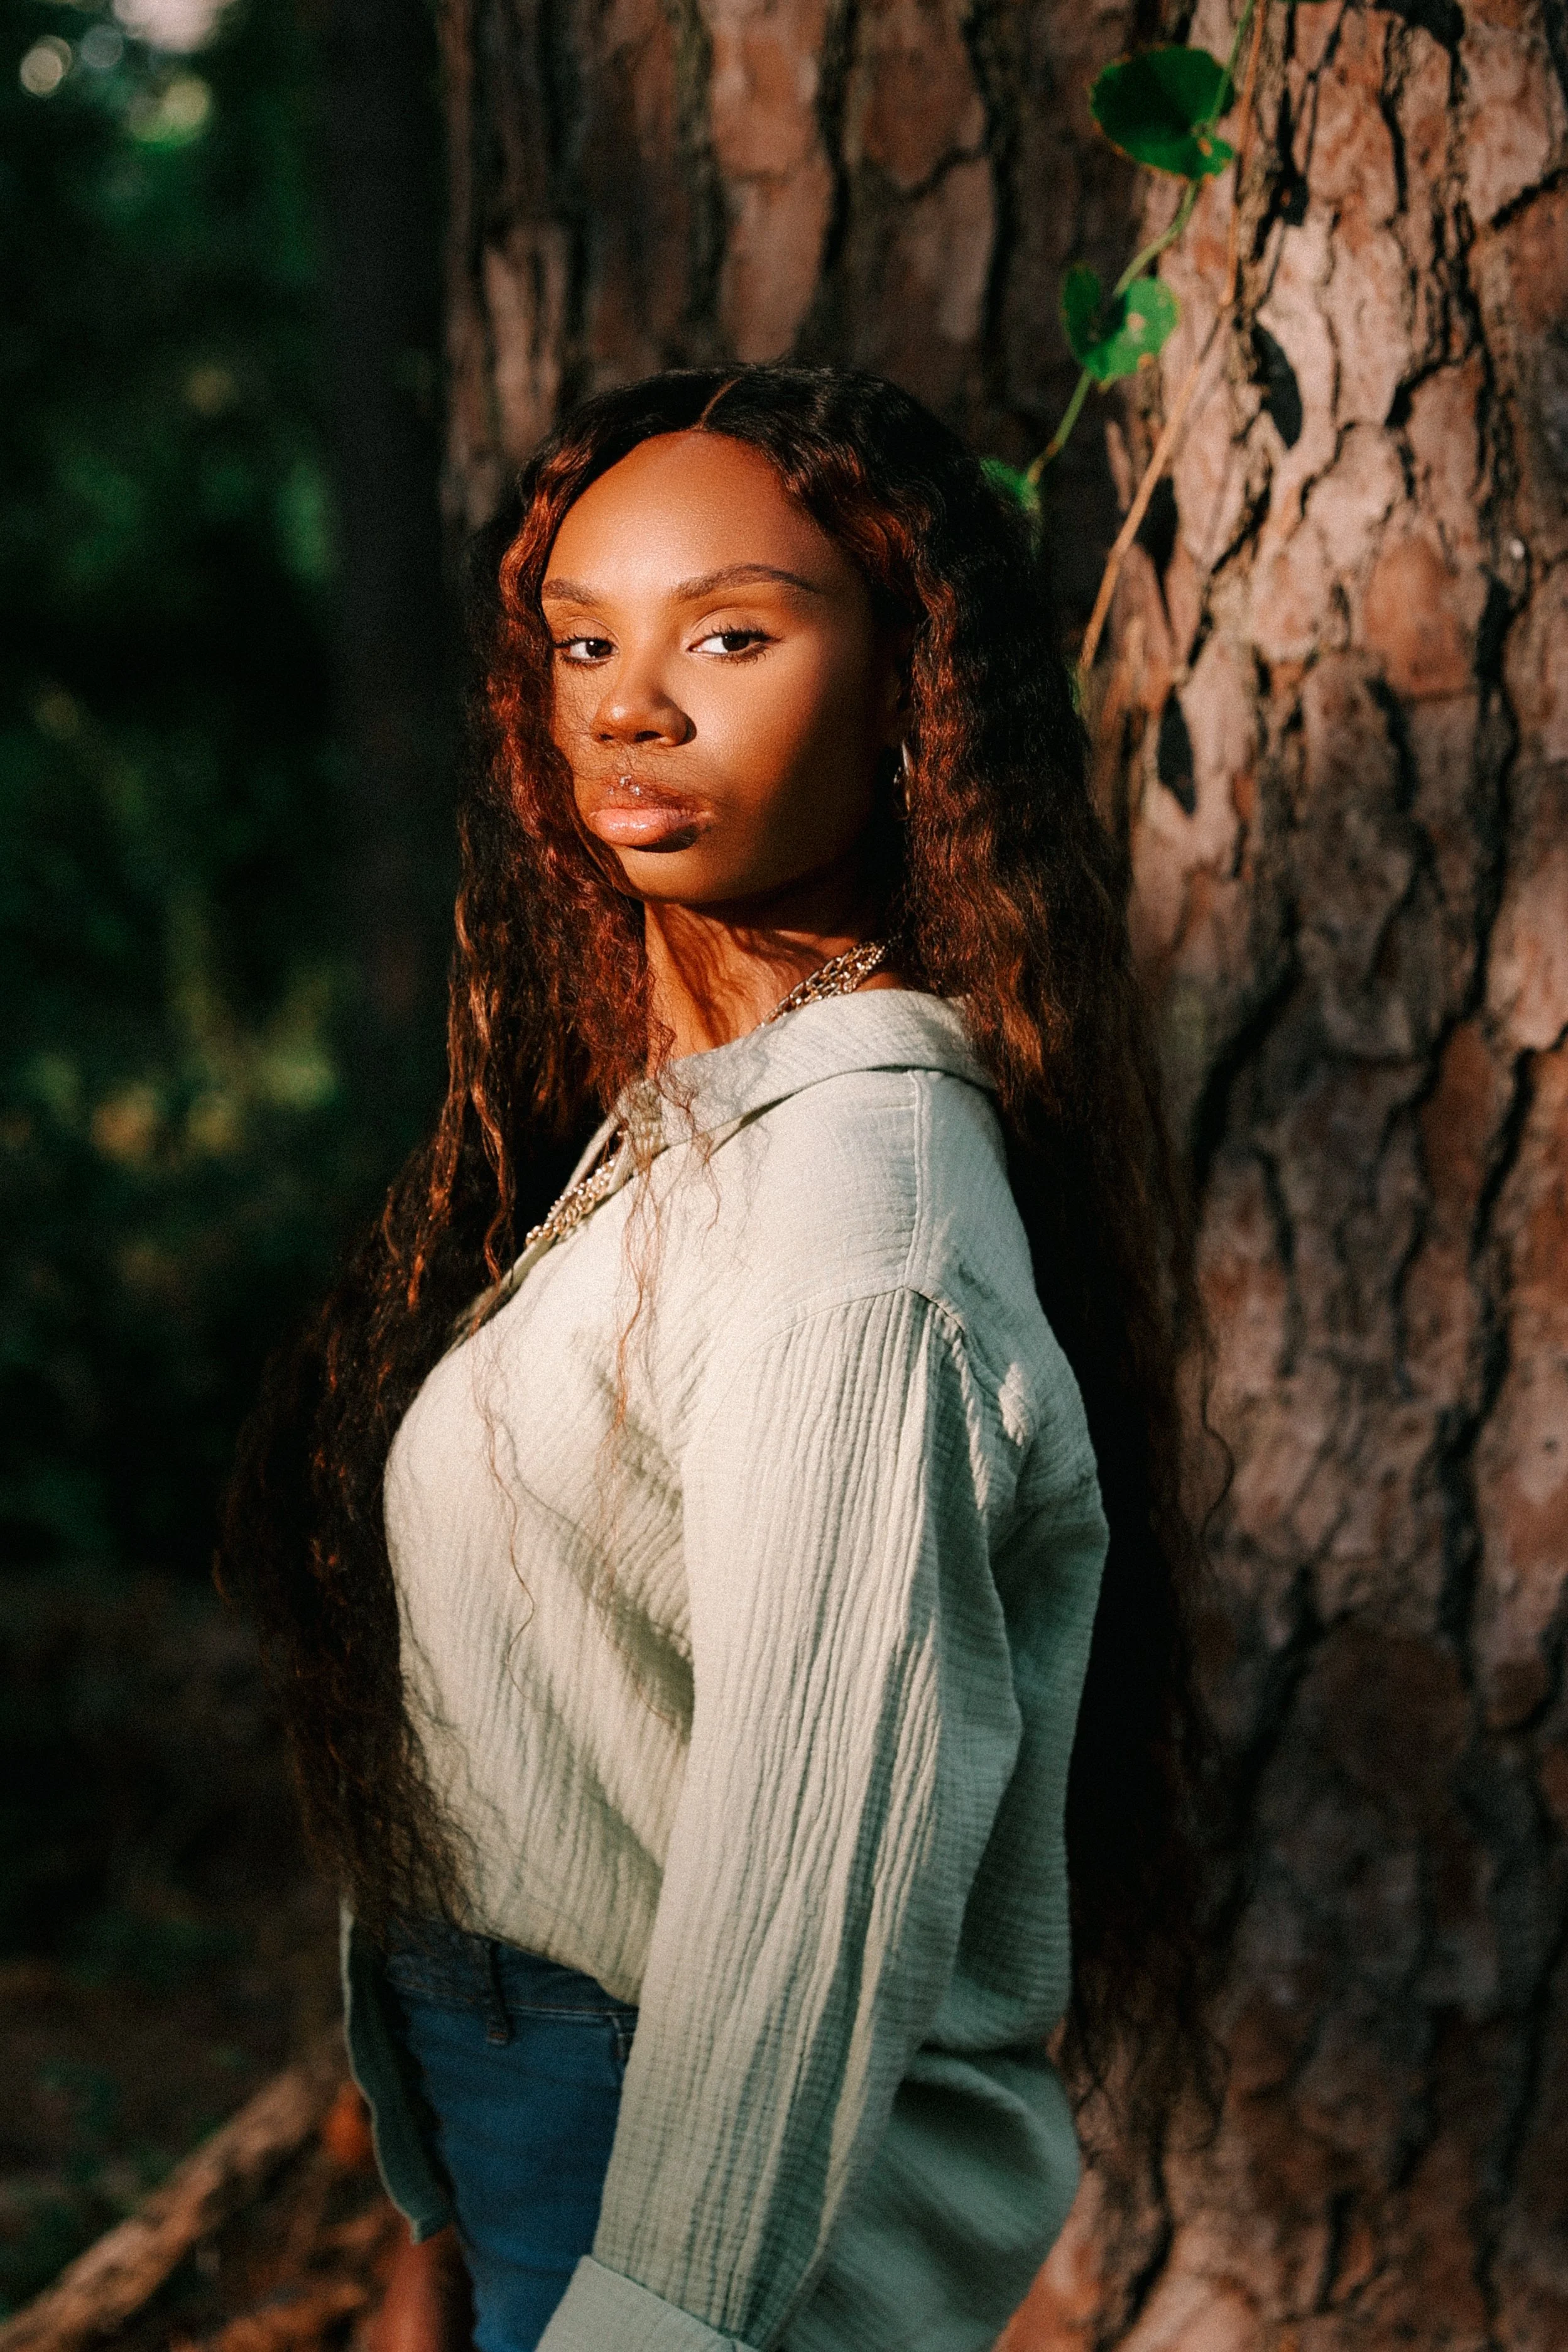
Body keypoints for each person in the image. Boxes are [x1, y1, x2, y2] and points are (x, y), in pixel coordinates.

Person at [222, 364, 1214, 2352]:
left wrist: (633, 2311)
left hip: (687, 2218)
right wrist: (441, 2221)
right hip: (540, 2149)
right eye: (582, 640)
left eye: (730, 636)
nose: (625, 704)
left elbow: (801, 1891)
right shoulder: (694, 1140)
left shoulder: (858, 1208)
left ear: (908, 686)